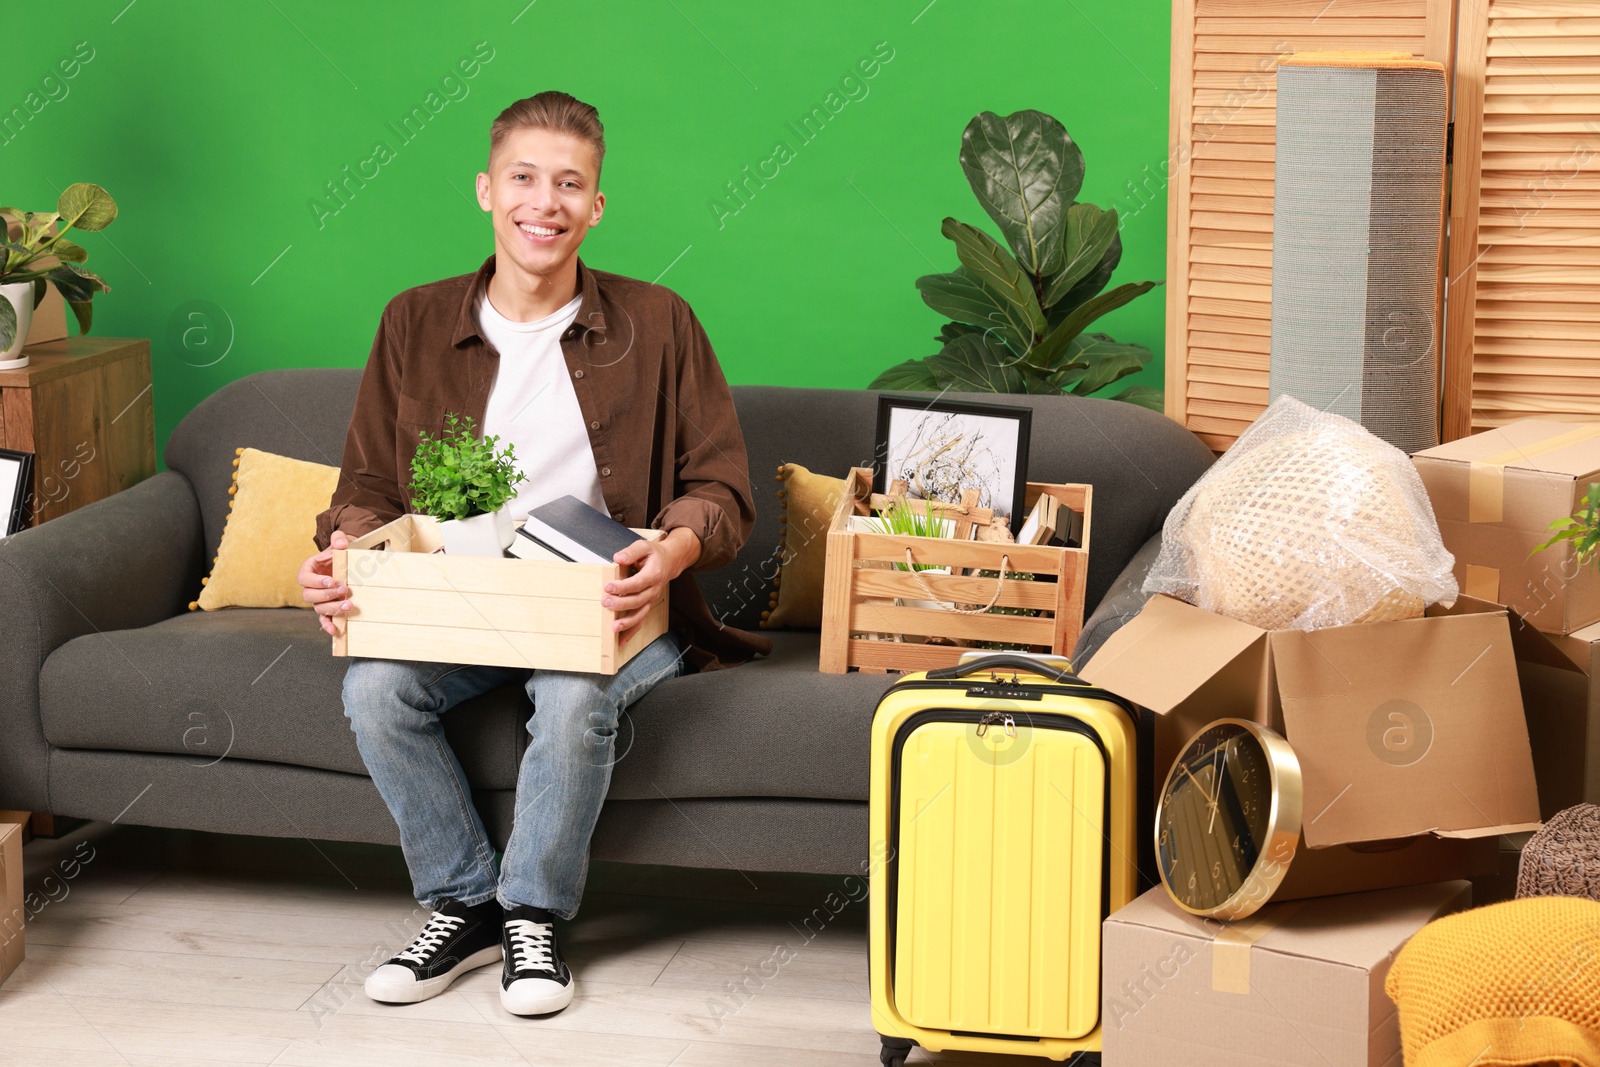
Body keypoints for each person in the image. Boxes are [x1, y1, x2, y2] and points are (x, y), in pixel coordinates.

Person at [295, 91, 769, 1017]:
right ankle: (464, 902)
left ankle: (533, 915)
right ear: (486, 189)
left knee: (572, 694)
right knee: (374, 688)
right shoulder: (413, 323)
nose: (542, 203)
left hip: (608, 612)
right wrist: (342, 551)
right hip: (463, 607)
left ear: (597, 206)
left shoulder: (660, 322)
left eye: (569, 184)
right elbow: (368, 491)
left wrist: (668, 554)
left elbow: (723, 493)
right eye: (523, 178)